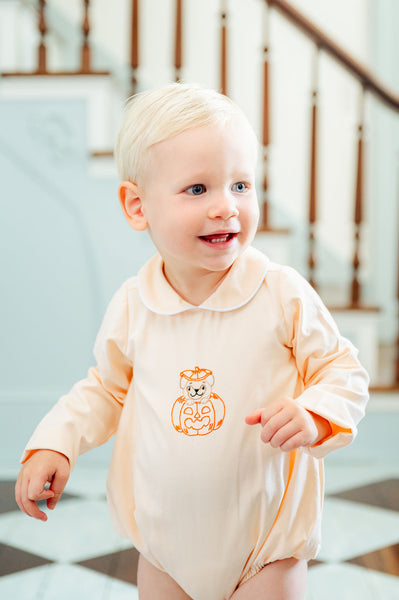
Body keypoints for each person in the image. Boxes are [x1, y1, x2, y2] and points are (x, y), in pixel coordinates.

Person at [15, 83, 369, 600]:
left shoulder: (281, 293)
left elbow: (343, 370)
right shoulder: (136, 304)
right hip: (165, 551)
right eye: (198, 189)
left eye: (241, 186)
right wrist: (56, 441)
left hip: (264, 549)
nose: (226, 207)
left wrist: (315, 413)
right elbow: (106, 390)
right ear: (137, 206)